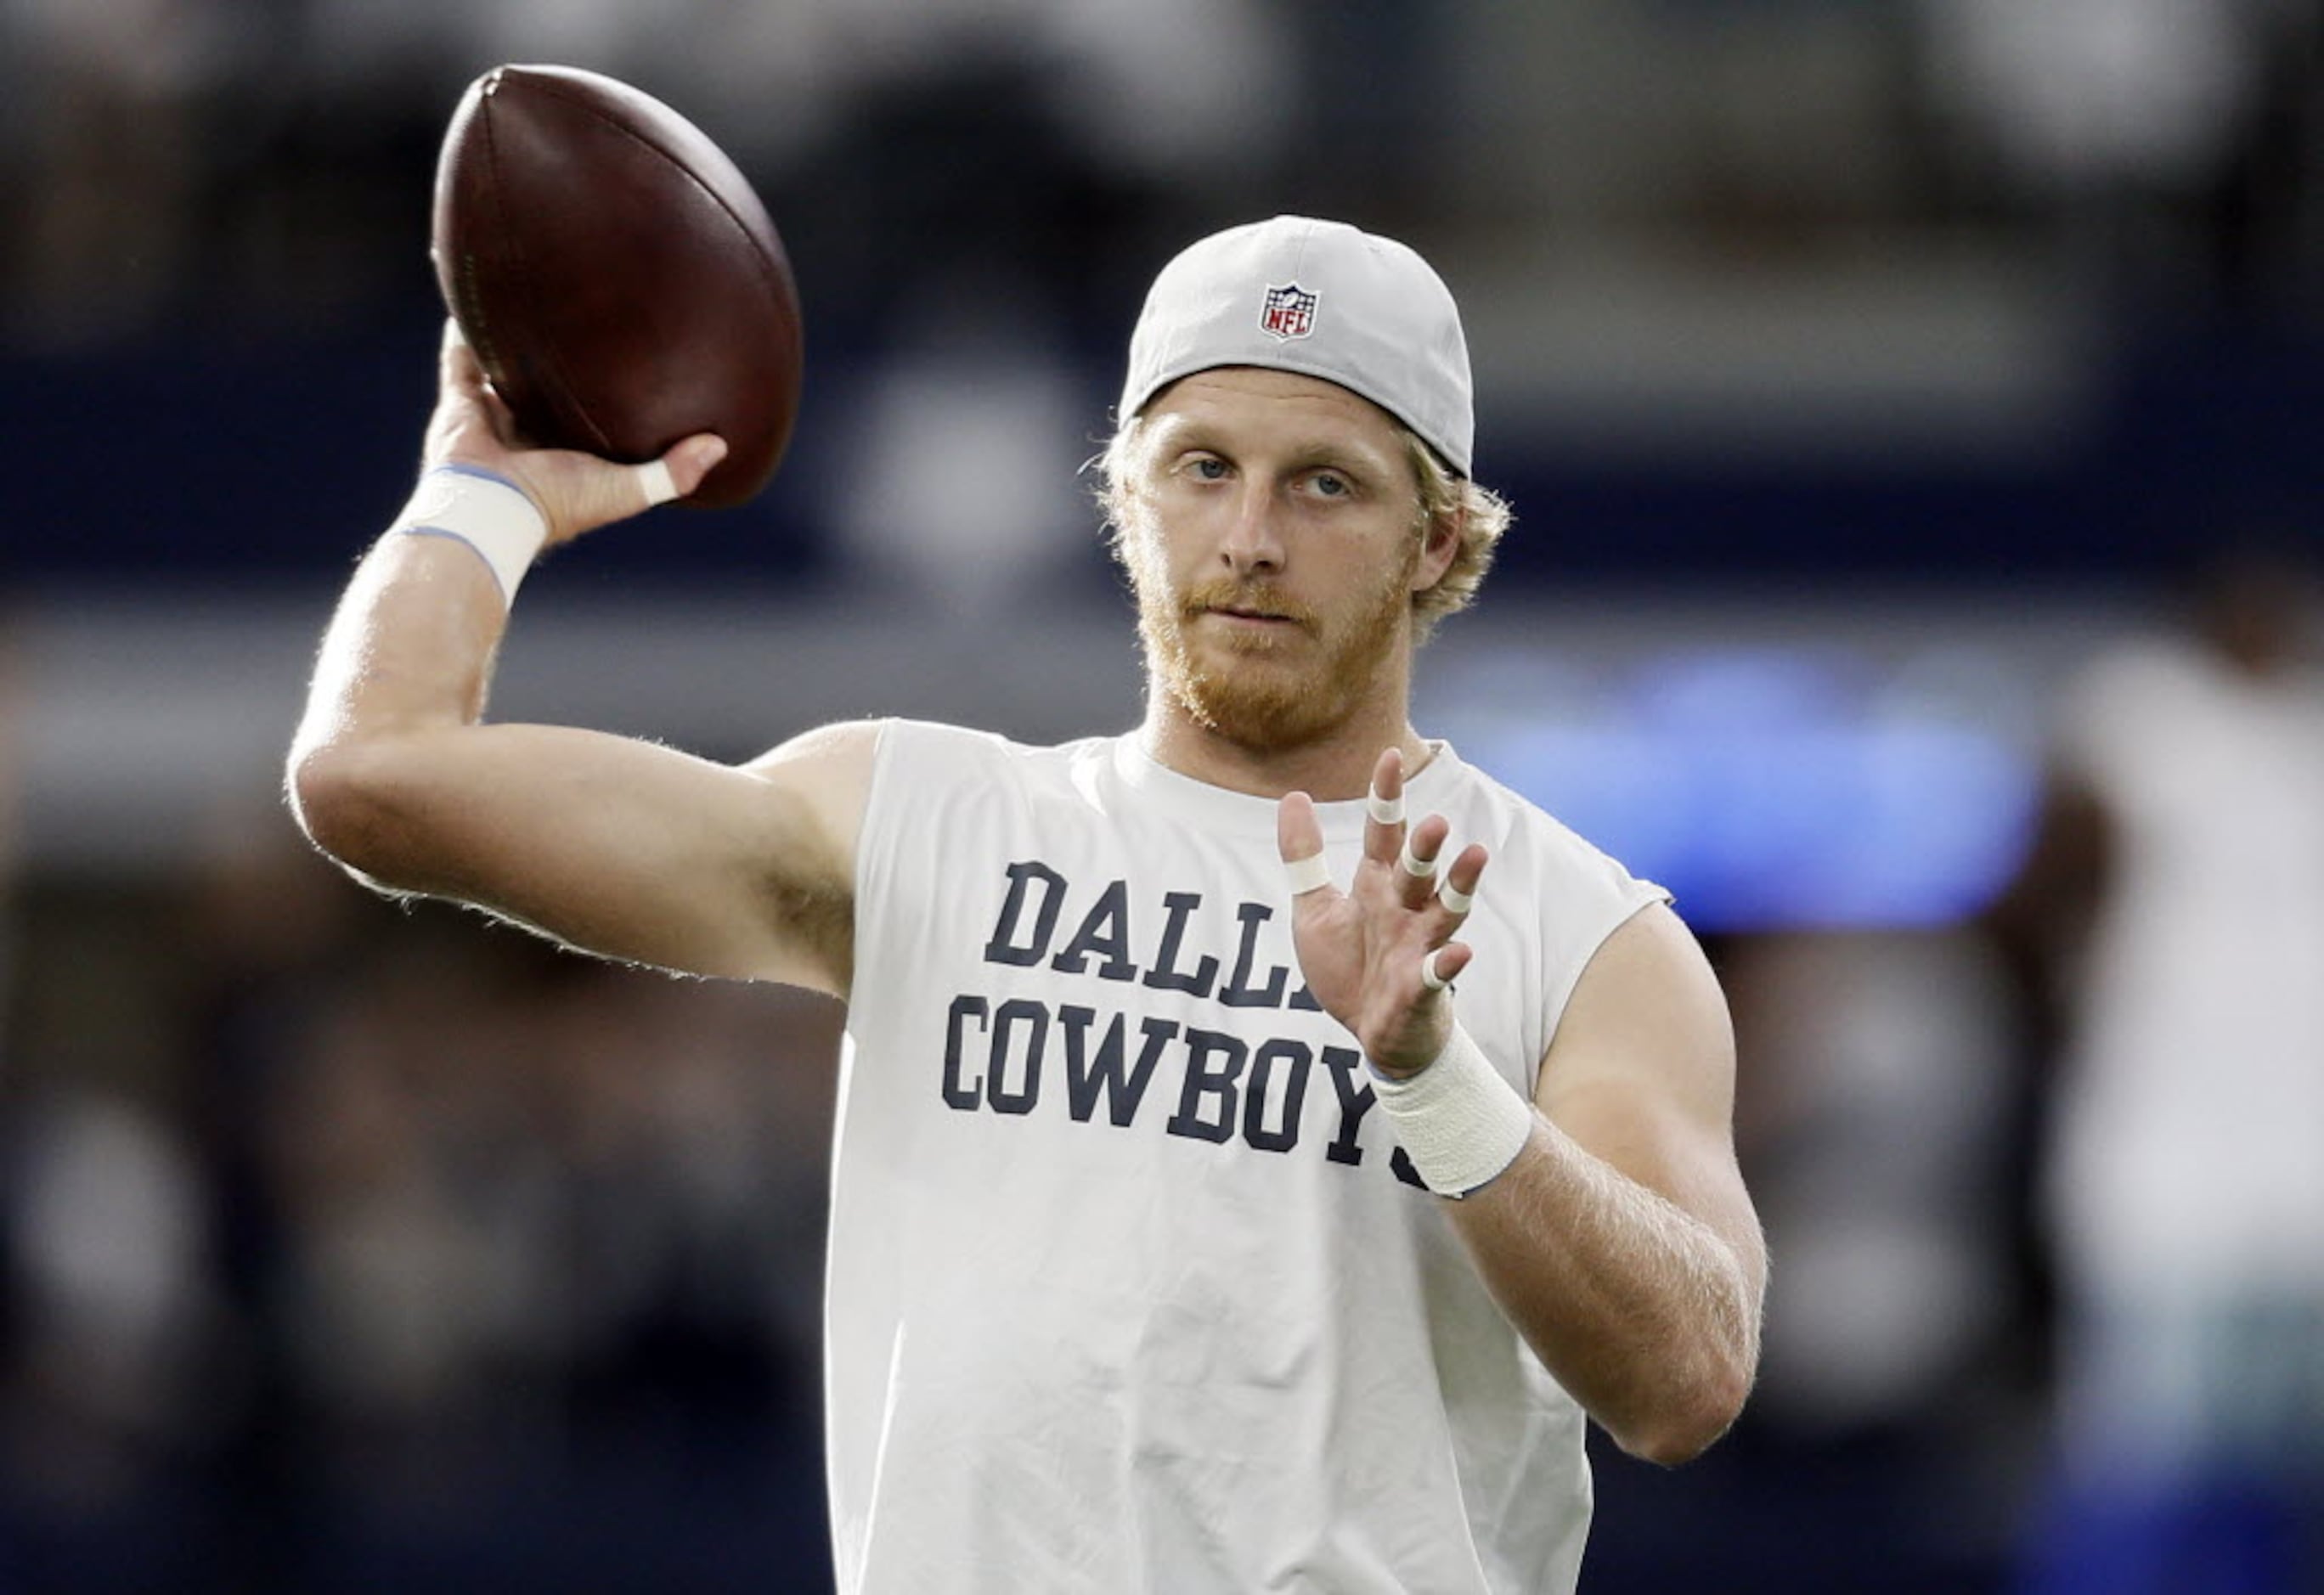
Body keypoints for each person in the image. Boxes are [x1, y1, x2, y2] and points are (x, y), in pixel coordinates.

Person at [287, 215, 1767, 1593]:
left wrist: (1435, 1079)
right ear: (1125, 495)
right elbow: (375, 775)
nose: (1250, 535)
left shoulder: (1579, 932)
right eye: (1201, 467)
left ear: (1436, 541)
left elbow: (1689, 1377)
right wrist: (480, 499)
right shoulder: (919, 822)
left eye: (1326, 482)